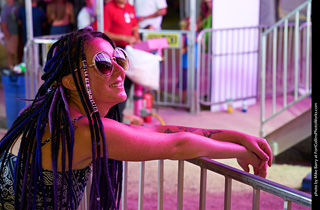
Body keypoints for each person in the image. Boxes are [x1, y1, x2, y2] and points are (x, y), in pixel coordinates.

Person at [0, 27, 272, 210]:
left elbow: (161, 131)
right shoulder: (84, 132)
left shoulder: (44, 116)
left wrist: (237, 136)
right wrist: (240, 151)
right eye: (104, 64)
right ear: (70, 81)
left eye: (120, 58)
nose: (119, 70)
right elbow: (178, 145)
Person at [103, 0, 141, 122]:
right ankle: (113, 117)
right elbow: (104, 31)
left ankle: (119, 115)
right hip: (114, 52)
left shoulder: (130, 7)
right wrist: (124, 37)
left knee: (127, 84)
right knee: (115, 84)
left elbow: (135, 25)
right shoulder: (108, 8)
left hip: (129, 53)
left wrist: (136, 36)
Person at [0, 0, 20, 69]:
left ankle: (13, 70)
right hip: (11, 34)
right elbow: (3, 25)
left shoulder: (16, 4)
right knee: (10, 55)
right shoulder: (5, 9)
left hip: (15, 33)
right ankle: (10, 70)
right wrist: (8, 36)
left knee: (14, 54)